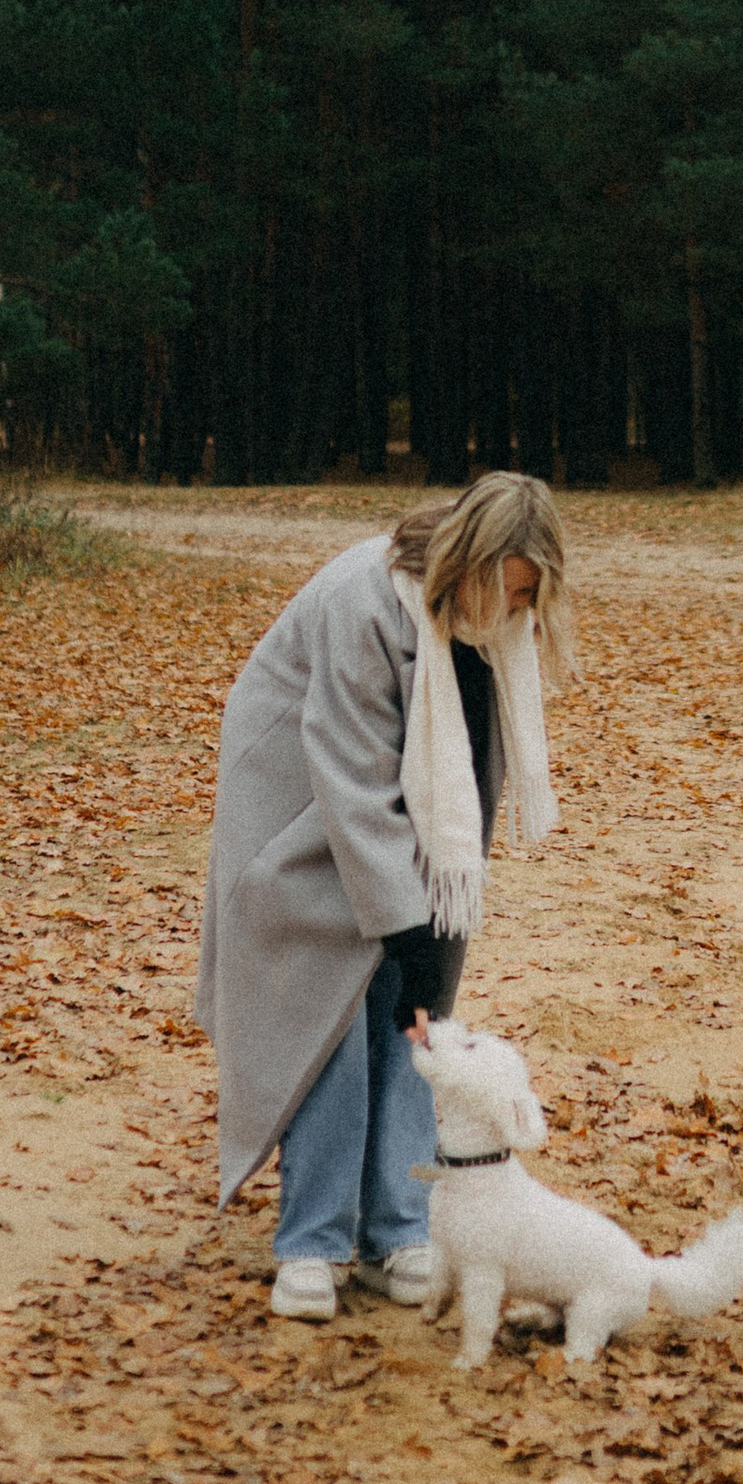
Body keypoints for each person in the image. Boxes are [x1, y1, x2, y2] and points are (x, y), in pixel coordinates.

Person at [195, 472, 570, 1323]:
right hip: (297, 820)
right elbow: (351, 768)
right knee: (330, 1019)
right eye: (509, 587)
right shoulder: (365, 599)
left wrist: (433, 912)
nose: (516, 608)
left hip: (398, 832)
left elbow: (467, 766)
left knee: (414, 1023)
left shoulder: (487, 621)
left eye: (528, 595)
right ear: (471, 559)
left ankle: (396, 1231)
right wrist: (403, 916)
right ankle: (313, 1245)